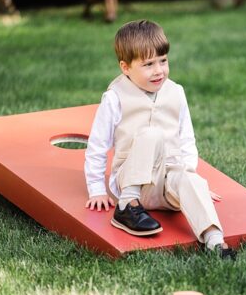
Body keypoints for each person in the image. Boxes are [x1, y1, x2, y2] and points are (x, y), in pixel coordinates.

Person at [83, 19, 235, 259]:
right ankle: (127, 208)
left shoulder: (176, 92)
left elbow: (186, 138)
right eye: (148, 64)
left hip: (167, 185)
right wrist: (96, 189)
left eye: (163, 61)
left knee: (192, 181)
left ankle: (214, 240)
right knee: (152, 135)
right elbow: (97, 146)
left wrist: (191, 181)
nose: (158, 70)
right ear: (125, 67)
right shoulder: (115, 97)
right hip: (131, 185)